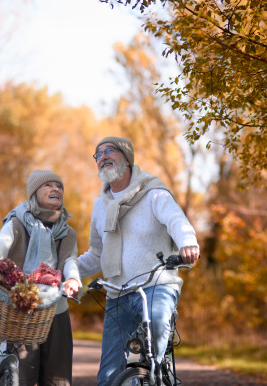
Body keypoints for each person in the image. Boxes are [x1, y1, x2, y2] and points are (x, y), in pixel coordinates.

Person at [76, 136, 200, 386]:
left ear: (127, 157)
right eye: (98, 154)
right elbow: (97, 254)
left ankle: (157, 375)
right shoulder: (101, 205)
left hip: (156, 286)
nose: (102, 157)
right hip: (118, 293)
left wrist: (188, 242)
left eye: (109, 150)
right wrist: (66, 270)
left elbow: (177, 221)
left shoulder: (154, 193)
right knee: (109, 375)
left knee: (155, 328)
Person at [0, 169, 81, 386]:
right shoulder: (17, 224)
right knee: (21, 379)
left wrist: (73, 279)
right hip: (21, 309)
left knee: (58, 380)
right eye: (48, 185)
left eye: (59, 186)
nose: (55, 189)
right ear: (34, 193)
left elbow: (70, 261)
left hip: (56, 311)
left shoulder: (68, 233)